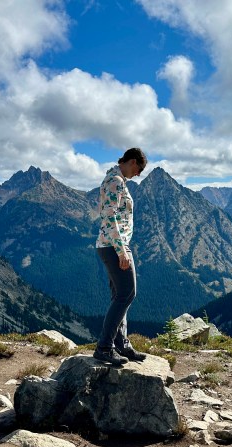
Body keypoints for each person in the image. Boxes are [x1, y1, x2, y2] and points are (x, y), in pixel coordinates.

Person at [94, 147, 148, 365]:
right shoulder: (115, 181)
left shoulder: (115, 179)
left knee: (119, 295)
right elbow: (109, 217)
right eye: (139, 169)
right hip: (114, 246)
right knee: (127, 293)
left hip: (112, 245)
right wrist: (121, 250)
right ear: (132, 161)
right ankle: (104, 347)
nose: (138, 174)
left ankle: (121, 344)